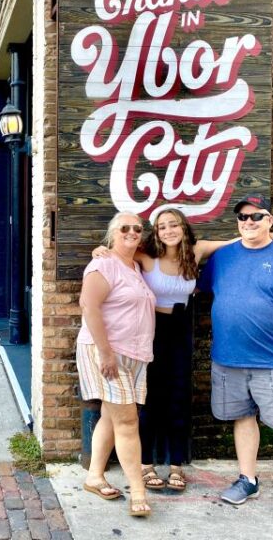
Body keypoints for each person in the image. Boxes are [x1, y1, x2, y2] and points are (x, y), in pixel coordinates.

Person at [92, 208, 273, 492]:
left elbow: (236, 241)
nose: (169, 231)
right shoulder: (146, 255)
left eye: (174, 225)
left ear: (183, 228)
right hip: (150, 329)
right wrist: (101, 250)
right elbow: (118, 253)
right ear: (156, 232)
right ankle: (145, 463)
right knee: (148, 398)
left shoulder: (196, 251)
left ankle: (176, 464)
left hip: (182, 327)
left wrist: (270, 235)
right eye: (162, 227)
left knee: (179, 395)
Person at [197, 193, 273, 529]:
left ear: (271, 221)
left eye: (256, 217)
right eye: (243, 217)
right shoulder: (223, 258)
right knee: (242, 419)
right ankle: (247, 479)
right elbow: (195, 276)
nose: (249, 222)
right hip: (228, 360)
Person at [77, 211, 156, 517]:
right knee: (127, 421)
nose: (132, 232)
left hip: (135, 354)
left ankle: (94, 476)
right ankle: (138, 491)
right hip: (107, 353)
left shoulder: (135, 265)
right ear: (112, 233)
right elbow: (89, 306)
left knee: (111, 417)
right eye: (124, 228)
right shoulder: (102, 264)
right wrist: (105, 352)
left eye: (137, 228)